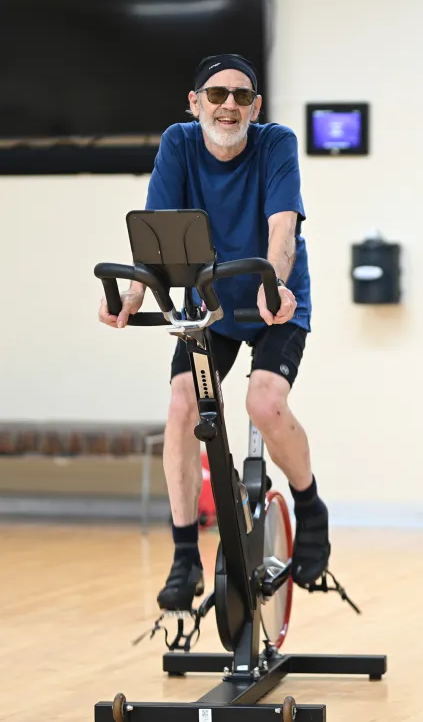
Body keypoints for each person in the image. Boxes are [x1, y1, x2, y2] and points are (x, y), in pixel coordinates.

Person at [98, 53, 331, 612]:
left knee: (264, 403)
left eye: (241, 97)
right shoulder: (178, 143)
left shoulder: (276, 144)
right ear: (195, 101)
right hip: (210, 304)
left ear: (255, 106)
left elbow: (283, 229)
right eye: (218, 95)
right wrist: (131, 298)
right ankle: (184, 555)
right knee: (182, 406)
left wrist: (272, 286)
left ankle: (310, 505)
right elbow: (154, 238)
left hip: (274, 300)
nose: (229, 106)